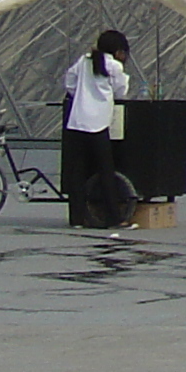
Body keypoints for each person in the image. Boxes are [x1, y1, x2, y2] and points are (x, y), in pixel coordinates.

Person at [61, 28, 132, 229]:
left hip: (76, 121)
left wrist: (80, 96)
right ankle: (113, 218)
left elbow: (70, 83)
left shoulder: (84, 61)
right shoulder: (114, 66)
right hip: (99, 124)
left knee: (77, 173)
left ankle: (76, 219)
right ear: (118, 50)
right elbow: (121, 92)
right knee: (106, 172)